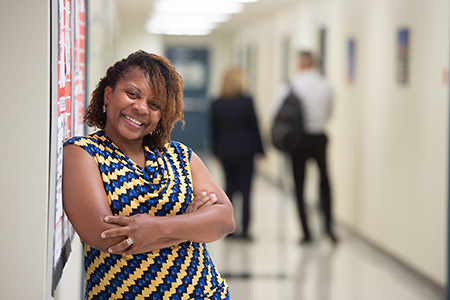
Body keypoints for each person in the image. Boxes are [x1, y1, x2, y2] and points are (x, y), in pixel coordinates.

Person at [62, 50, 236, 300]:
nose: (141, 108)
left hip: (205, 292)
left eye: (154, 105)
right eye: (132, 94)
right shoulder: (84, 153)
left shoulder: (178, 155)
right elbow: (104, 236)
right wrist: (191, 224)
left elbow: (225, 218)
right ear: (109, 94)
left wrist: (156, 227)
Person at [274, 51, 336, 244]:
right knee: (325, 181)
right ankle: (328, 228)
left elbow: (275, 111)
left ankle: (306, 232)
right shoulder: (326, 85)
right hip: (319, 137)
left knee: (299, 186)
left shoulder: (291, 85)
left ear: (300, 64)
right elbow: (330, 113)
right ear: (315, 64)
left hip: (297, 140)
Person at [210, 66, 264, 241]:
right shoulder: (247, 101)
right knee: (247, 191)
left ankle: (229, 229)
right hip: (246, 152)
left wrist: (216, 151)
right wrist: (261, 150)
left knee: (229, 191)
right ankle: (246, 230)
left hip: (226, 152)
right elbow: (255, 127)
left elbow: (213, 130)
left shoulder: (217, 103)